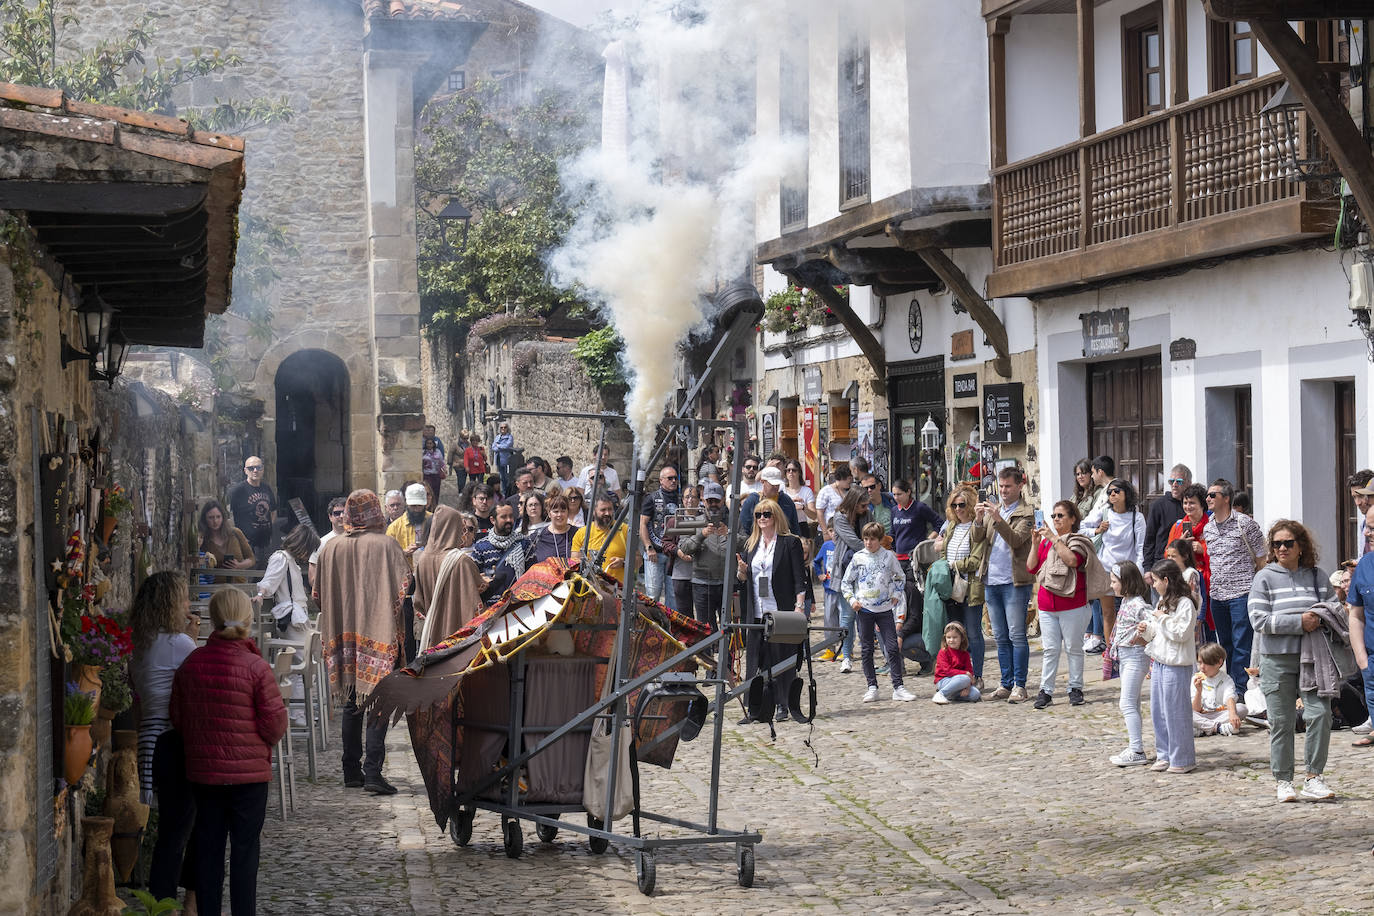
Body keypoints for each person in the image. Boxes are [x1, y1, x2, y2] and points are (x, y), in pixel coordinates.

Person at [169, 589, 286, 916]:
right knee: (245, 853)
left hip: (205, 776)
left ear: (213, 619)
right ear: (247, 620)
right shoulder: (257, 667)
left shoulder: (192, 664)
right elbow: (274, 726)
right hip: (249, 779)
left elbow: (178, 718)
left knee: (208, 850)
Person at [315, 489, 409, 795]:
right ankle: (373, 772)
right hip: (378, 634)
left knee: (351, 704)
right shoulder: (385, 546)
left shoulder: (330, 548)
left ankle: (351, 771)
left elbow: (318, 595)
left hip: (344, 637)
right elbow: (406, 586)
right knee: (378, 703)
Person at [1249, 519, 1338, 802]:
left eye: (1288, 543)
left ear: (1301, 546)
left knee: (1320, 714)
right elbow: (1259, 619)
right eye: (1277, 544)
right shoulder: (1263, 578)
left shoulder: (1316, 576)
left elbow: (1334, 609)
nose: (1283, 548)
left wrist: (1320, 619)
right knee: (1281, 721)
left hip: (1314, 658)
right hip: (1276, 660)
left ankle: (1313, 777)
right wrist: (1299, 622)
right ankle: (1283, 780)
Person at [129, 572, 199, 914]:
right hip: (173, 739)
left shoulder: (140, 644)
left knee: (170, 829)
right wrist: (195, 639)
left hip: (148, 739)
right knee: (180, 830)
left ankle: (166, 903)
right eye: (183, 598)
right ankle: (171, 903)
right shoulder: (179, 644)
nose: (187, 604)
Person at [736, 497, 809, 722]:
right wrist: (742, 572)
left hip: (780, 609)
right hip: (757, 609)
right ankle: (756, 708)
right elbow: (743, 580)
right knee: (756, 659)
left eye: (766, 514)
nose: (762, 519)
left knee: (782, 657)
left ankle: (783, 704)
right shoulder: (751, 544)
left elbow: (799, 578)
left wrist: (799, 607)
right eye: (758, 515)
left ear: (776, 516)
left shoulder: (790, 543)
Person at [974, 466, 1036, 703]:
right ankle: (1005, 682)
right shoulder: (993, 512)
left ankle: (1020, 685)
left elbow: (1017, 541)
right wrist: (979, 520)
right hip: (992, 579)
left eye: (1008, 486)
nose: (1003, 491)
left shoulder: (1027, 513)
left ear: (1020, 486)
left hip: (1014, 581)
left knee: (1017, 634)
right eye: (1001, 487)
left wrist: (998, 519)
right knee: (999, 636)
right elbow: (978, 540)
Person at [1028, 500, 1095, 709]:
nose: (1056, 519)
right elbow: (1031, 567)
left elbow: (1072, 560)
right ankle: (1046, 690)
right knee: (1050, 649)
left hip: (1072, 603)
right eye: (1054, 516)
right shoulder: (1046, 542)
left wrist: (1054, 538)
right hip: (1048, 605)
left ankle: (1075, 688)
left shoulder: (1078, 540)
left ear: (1072, 519)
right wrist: (1034, 543)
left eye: (1060, 516)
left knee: (1074, 648)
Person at [1204, 478, 1267, 694]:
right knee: (1226, 644)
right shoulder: (1208, 528)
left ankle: (1241, 690)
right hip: (1217, 594)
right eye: (1208, 495)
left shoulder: (1244, 523)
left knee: (1242, 644)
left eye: (1213, 495)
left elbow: (1261, 556)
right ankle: (1228, 686)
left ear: (1226, 498)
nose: (1208, 498)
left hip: (1242, 593)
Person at [252, 524, 319, 727]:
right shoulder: (281, 558)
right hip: (291, 616)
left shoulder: (291, 561)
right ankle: (297, 712)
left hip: (296, 614)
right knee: (303, 660)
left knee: (299, 663)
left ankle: (296, 710)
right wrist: (261, 595)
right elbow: (269, 581)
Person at [840, 521, 914, 703]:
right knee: (866, 649)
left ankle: (898, 686)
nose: (868, 543)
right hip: (864, 609)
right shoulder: (858, 558)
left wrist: (896, 593)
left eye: (872, 539)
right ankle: (872, 686)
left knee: (891, 647)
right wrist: (852, 600)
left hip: (884, 609)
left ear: (880, 540)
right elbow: (846, 582)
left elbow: (900, 577)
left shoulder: (888, 557)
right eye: (865, 539)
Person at [1141, 559, 1199, 774]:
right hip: (1160, 662)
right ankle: (1164, 753)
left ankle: (1183, 757)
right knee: (1159, 711)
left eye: (1156, 581)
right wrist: (1146, 629)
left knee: (1176, 712)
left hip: (1176, 664)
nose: (1153, 585)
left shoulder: (1185, 603)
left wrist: (1162, 619)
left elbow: (1181, 633)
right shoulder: (1162, 602)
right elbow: (1158, 633)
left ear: (1166, 580)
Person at [1081, 477, 1146, 655]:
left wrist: (1139, 572)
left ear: (1127, 494)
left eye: (1117, 491)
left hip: (1127, 571)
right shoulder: (1104, 512)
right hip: (1106, 569)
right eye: (1110, 492)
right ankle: (1111, 652)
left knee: (1128, 611)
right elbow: (1081, 527)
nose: (1113, 494)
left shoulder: (1136, 517)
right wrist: (1097, 530)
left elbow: (1140, 547)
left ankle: (1128, 649)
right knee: (1108, 613)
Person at [933, 485, 987, 689]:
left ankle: (978, 675)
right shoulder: (952, 527)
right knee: (954, 632)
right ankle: (956, 673)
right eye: (954, 505)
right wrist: (944, 567)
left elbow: (976, 559)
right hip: (951, 588)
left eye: (962, 505)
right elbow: (944, 552)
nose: (958, 509)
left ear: (970, 505)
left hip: (970, 587)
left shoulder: (976, 528)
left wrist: (955, 565)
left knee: (973, 632)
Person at [413, 507, 483, 652]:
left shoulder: (422, 558)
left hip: (431, 632)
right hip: (455, 630)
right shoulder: (461, 560)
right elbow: (477, 591)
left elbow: (419, 602)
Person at [1107, 561, 1153, 766]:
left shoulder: (1138, 604)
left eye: (1114, 581)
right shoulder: (1127, 601)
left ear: (1126, 582)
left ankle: (1137, 749)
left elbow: (1153, 623)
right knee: (1131, 702)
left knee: (1126, 702)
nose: (1112, 585)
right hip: (1125, 656)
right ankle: (1135, 746)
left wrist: (1142, 635)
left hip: (1135, 655)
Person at [830, 487, 872, 673]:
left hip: (865, 572)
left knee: (866, 619)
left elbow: (872, 534)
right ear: (854, 504)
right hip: (845, 572)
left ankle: (866, 657)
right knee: (847, 617)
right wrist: (870, 546)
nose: (866, 508)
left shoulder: (867, 515)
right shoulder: (840, 517)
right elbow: (853, 541)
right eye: (862, 505)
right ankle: (846, 656)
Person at [679, 481, 729, 628]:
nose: (713, 504)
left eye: (716, 500)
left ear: (723, 499)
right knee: (706, 630)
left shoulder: (733, 521)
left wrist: (729, 534)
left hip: (727, 584)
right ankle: (707, 652)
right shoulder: (694, 522)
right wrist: (701, 535)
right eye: (709, 500)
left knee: (729, 629)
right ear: (703, 500)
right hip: (702, 583)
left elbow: (746, 544)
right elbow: (684, 548)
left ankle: (727, 652)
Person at [1346, 505, 1374, 738]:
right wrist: (1362, 659)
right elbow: (1355, 615)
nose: (1366, 533)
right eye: (1366, 526)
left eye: (1373, 528)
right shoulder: (1364, 566)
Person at [640, 464, 682, 610]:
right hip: (655, 553)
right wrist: (648, 547)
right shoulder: (651, 499)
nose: (673, 481)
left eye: (675, 478)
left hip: (673, 554)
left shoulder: (680, 498)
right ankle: (653, 628)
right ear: (661, 480)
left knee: (674, 595)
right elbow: (643, 524)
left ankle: (670, 628)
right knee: (653, 595)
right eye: (670, 478)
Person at [470, 503, 532, 602]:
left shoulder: (524, 543)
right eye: (503, 517)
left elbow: (533, 575)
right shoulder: (480, 547)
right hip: (490, 609)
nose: (509, 520)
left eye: (511, 516)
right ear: (492, 520)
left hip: (519, 606)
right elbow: (473, 579)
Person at [225, 456, 276, 568]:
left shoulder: (266, 488)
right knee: (249, 576)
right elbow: (228, 516)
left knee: (265, 577)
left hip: (266, 543)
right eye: (251, 468)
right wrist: (239, 537)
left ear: (263, 469)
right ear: (245, 471)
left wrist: (269, 528)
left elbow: (273, 511)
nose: (255, 470)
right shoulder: (238, 491)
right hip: (247, 544)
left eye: (258, 467)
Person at [571, 494, 629, 584]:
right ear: (594, 511)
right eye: (603, 510)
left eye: (610, 509)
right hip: (590, 589)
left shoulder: (625, 530)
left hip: (617, 590)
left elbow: (638, 559)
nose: (607, 513)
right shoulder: (582, 533)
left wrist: (624, 563)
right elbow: (575, 564)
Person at [1193, 643, 1245, 736]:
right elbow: (1195, 710)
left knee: (1242, 708)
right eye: (1200, 662)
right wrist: (1198, 691)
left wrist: (1233, 714)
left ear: (1219, 663)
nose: (1202, 667)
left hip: (1219, 714)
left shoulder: (1226, 679)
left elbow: (1230, 698)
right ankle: (1217, 728)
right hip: (1201, 715)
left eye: (1206, 663)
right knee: (1184, 713)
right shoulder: (1196, 678)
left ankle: (1202, 729)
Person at [889, 477, 941, 561]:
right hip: (898, 558)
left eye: (899, 494)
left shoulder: (919, 507)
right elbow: (892, 533)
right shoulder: (894, 510)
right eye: (894, 494)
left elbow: (939, 522)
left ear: (908, 492)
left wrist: (929, 538)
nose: (896, 498)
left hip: (916, 557)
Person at [198, 500, 254, 573]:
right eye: (211, 517)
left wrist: (239, 565)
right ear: (205, 519)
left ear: (223, 517)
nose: (215, 521)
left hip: (238, 582)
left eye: (218, 517)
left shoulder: (236, 533)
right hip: (214, 583)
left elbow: (251, 559)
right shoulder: (203, 538)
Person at [931, 620, 980, 704]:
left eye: (955, 637)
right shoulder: (943, 652)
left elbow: (970, 672)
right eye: (948, 637)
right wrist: (965, 674)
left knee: (975, 694)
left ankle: (950, 695)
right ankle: (941, 693)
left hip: (961, 681)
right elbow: (948, 671)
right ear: (945, 638)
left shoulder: (965, 654)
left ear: (962, 638)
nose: (951, 640)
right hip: (944, 680)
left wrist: (967, 687)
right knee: (964, 678)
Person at [668, 484, 699, 613]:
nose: (690, 500)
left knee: (704, 617)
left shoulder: (705, 518)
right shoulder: (674, 520)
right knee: (685, 616)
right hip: (681, 575)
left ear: (699, 499)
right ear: (682, 500)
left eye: (693, 497)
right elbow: (666, 543)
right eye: (687, 497)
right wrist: (678, 552)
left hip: (701, 576)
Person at [740, 466, 799, 534]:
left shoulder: (786, 501)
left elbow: (795, 528)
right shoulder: (752, 501)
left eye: (777, 484)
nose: (776, 487)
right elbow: (744, 529)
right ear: (762, 482)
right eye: (772, 484)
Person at [308, 497, 348, 589]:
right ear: (330, 517)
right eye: (337, 513)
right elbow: (313, 579)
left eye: (344, 512)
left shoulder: (357, 540)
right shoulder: (321, 543)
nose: (341, 516)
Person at [387, 483, 430, 567]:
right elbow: (388, 556)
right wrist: (404, 553)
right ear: (407, 504)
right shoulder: (394, 528)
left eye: (420, 506)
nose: (417, 509)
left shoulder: (434, 520)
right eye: (413, 506)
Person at [534, 494, 580, 563]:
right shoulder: (538, 535)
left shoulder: (578, 533)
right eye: (555, 511)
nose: (559, 515)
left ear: (568, 512)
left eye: (563, 511)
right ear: (549, 514)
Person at [781, 459, 817, 538]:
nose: (790, 472)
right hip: (785, 526)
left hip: (801, 526)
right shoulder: (781, 490)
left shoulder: (807, 491)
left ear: (799, 472)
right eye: (788, 470)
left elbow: (814, 516)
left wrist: (803, 507)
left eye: (794, 470)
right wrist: (791, 504)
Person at [1072, 458, 1101, 525]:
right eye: (1078, 474)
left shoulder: (1098, 492)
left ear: (1091, 474)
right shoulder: (1076, 494)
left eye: (1084, 473)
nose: (1080, 477)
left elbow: (1096, 518)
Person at [422, 436, 446, 508]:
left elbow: (442, 462)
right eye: (428, 443)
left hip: (436, 475)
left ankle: (435, 506)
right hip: (427, 475)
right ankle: (428, 505)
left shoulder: (437, 451)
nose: (429, 445)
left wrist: (444, 469)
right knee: (429, 490)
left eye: (431, 443)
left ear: (433, 444)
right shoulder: (423, 452)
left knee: (436, 491)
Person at [493, 421, 516, 495]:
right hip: (499, 460)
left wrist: (498, 446)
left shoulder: (509, 437)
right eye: (501, 427)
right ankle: (503, 493)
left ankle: (508, 493)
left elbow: (508, 446)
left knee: (507, 478)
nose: (503, 429)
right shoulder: (497, 437)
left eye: (505, 427)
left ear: (507, 428)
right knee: (502, 478)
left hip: (507, 460)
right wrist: (500, 447)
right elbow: (493, 447)